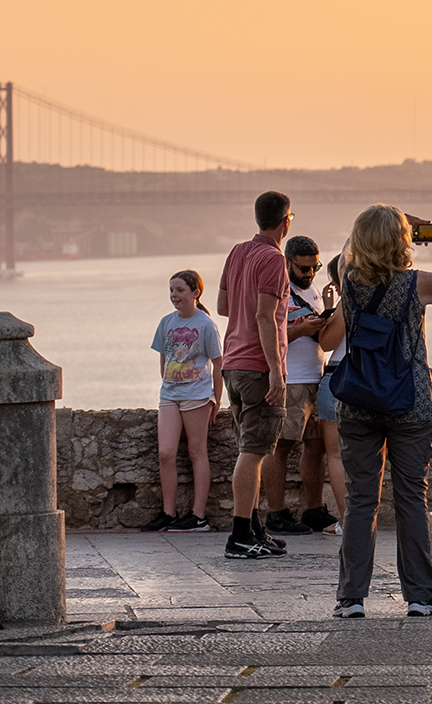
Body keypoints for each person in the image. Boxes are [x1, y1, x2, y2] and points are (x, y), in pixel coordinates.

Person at [333, 205, 432, 619]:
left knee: (360, 500)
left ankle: (351, 599)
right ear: (403, 241)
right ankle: (419, 597)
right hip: (412, 403)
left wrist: (389, 216)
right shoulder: (418, 284)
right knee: (411, 499)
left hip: (358, 402)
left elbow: (347, 250)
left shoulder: (344, 279)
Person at [215, 192, 292, 559]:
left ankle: (256, 529)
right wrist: (276, 371)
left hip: (232, 362)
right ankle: (240, 535)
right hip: (258, 366)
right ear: (286, 221)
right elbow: (265, 317)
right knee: (253, 450)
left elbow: (223, 306)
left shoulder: (237, 252)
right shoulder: (274, 259)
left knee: (254, 452)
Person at [261, 236, 341, 536]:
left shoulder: (314, 290)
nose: (309, 274)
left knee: (316, 447)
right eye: (303, 268)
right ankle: (277, 514)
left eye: (314, 267)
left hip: (317, 377)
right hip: (291, 378)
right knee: (280, 447)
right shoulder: (279, 290)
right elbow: (268, 331)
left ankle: (313, 510)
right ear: (287, 262)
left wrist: (329, 311)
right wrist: (300, 331)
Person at [142, 270, 223, 534]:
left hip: (197, 395)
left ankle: (198, 516)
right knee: (165, 453)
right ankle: (168, 512)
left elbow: (219, 363)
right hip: (170, 394)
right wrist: (168, 383)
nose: (174, 296)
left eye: (179, 290)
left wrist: (217, 399)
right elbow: (164, 359)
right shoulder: (166, 322)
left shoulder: (206, 324)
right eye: (171, 291)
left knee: (196, 452)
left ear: (195, 293)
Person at [315, 254, 349, 535]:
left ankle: (346, 520)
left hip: (339, 376)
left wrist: (329, 311)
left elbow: (327, 342)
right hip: (372, 379)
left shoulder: (347, 303)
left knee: (336, 455)